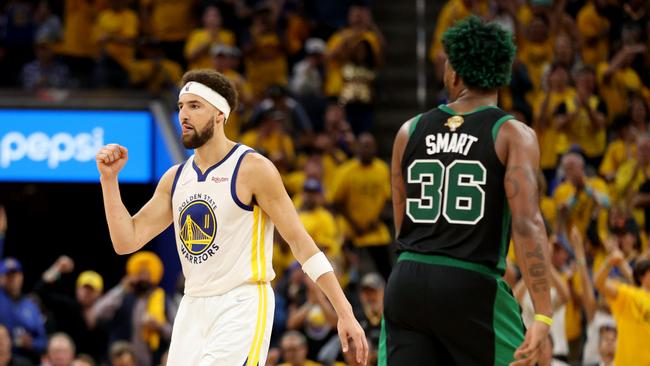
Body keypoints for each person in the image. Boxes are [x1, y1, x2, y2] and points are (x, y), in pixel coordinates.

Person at [95, 69, 367, 365]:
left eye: (194, 106)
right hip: (193, 305)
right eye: (181, 106)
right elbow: (126, 241)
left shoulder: (252, 169)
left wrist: (345, 311)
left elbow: (302, 244)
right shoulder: (175, 178)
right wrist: (109, 181)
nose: (183, 115)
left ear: (219, 114)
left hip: (242, 302)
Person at [384, 16, 552, 365]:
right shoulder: (512, 134)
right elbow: (527, 224)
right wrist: (543, 314)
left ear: (455, 73)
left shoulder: (408, 130)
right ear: (501, 74)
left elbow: (403, 226)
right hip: (470, 284)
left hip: (406, 283)